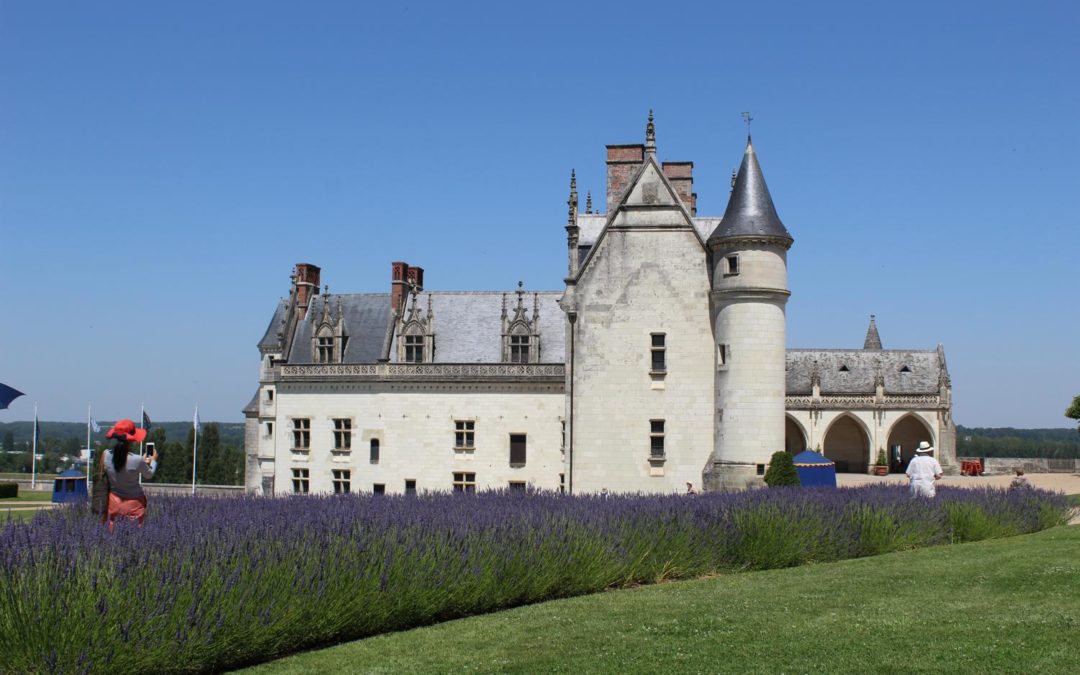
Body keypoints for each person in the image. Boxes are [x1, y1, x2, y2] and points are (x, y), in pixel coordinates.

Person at [103, 419, 158, 529]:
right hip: (134, 503)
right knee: (135, 536)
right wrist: (154, 460)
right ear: (132, 440)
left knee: (113, 533)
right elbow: (149, 474)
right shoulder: (137, 460)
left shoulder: (106, 454)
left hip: (114, 502)